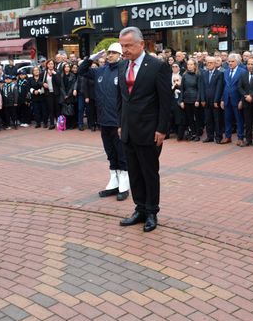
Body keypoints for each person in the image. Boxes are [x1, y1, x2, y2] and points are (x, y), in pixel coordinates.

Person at [117, 27, 172, 233]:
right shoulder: (123, 66)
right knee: (134, 173)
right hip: (128, 130)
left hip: (150, 131)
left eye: (128, 46)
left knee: (149, 172)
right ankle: (139, 209)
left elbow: (165, 102)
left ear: (141, 44)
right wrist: (121, 124)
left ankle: (151, 212)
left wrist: (162, 129)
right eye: (122, 46)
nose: (125, 50)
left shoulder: (158, 66)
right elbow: (121, 98)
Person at [79, 43, 130, 201]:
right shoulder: (100, 70)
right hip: (104, 120)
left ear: (120, 55)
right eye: (109, 53)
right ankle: (113, 183)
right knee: (110, 153)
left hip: (118, 121)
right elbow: (82, 71)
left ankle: (124, 185)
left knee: (121, 154)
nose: (110, 55)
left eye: (114, 53)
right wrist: (90, 59)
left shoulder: (124, 70)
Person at [238, 57, 253, 147]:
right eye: (248, 64)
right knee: (247, 122)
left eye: (252, 64)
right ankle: (248, 140)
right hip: (246, 102)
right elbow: (240, 87)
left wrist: (252, 96)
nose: (250, 66)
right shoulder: (243, 74)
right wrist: (246, 96)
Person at [221, 53, 246, 145]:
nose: (230, 63)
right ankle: (228, 137)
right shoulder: (226, 71)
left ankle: (240, 138)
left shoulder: (242, 71)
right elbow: (224, 86)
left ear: (237, 62)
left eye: (232, 61)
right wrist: (222, 99)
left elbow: (244, 87)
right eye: (229, 61)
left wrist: (241, 100)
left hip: (237, 99)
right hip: (227, 99)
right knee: (227, 119)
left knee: (239, 120)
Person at [201, 56, 224, 143]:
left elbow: (219, 88)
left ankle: (218, 137)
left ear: (215, 64)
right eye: (208, 63)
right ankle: (209, 136)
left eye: (211, 63)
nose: (209, 64)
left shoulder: (219, 74)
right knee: (208, 119)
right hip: (206, 101)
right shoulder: (204, 73)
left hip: (215, 101)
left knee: (217, 119)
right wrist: (202, 99)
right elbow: (202, 87)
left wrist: (216, 100)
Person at [180, 58, 204, 141]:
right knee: (189, 118)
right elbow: (182, 89)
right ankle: (193, 133)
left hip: (195, 100)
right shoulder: (184, 75)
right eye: (188, 64)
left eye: (191, 64)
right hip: (186, 99)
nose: (189, 66)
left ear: (195, 65)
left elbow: (200, 89)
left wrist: (198, 100)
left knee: (197, 118)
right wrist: (181, 101)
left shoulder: (198, 75)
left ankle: (197, 134)